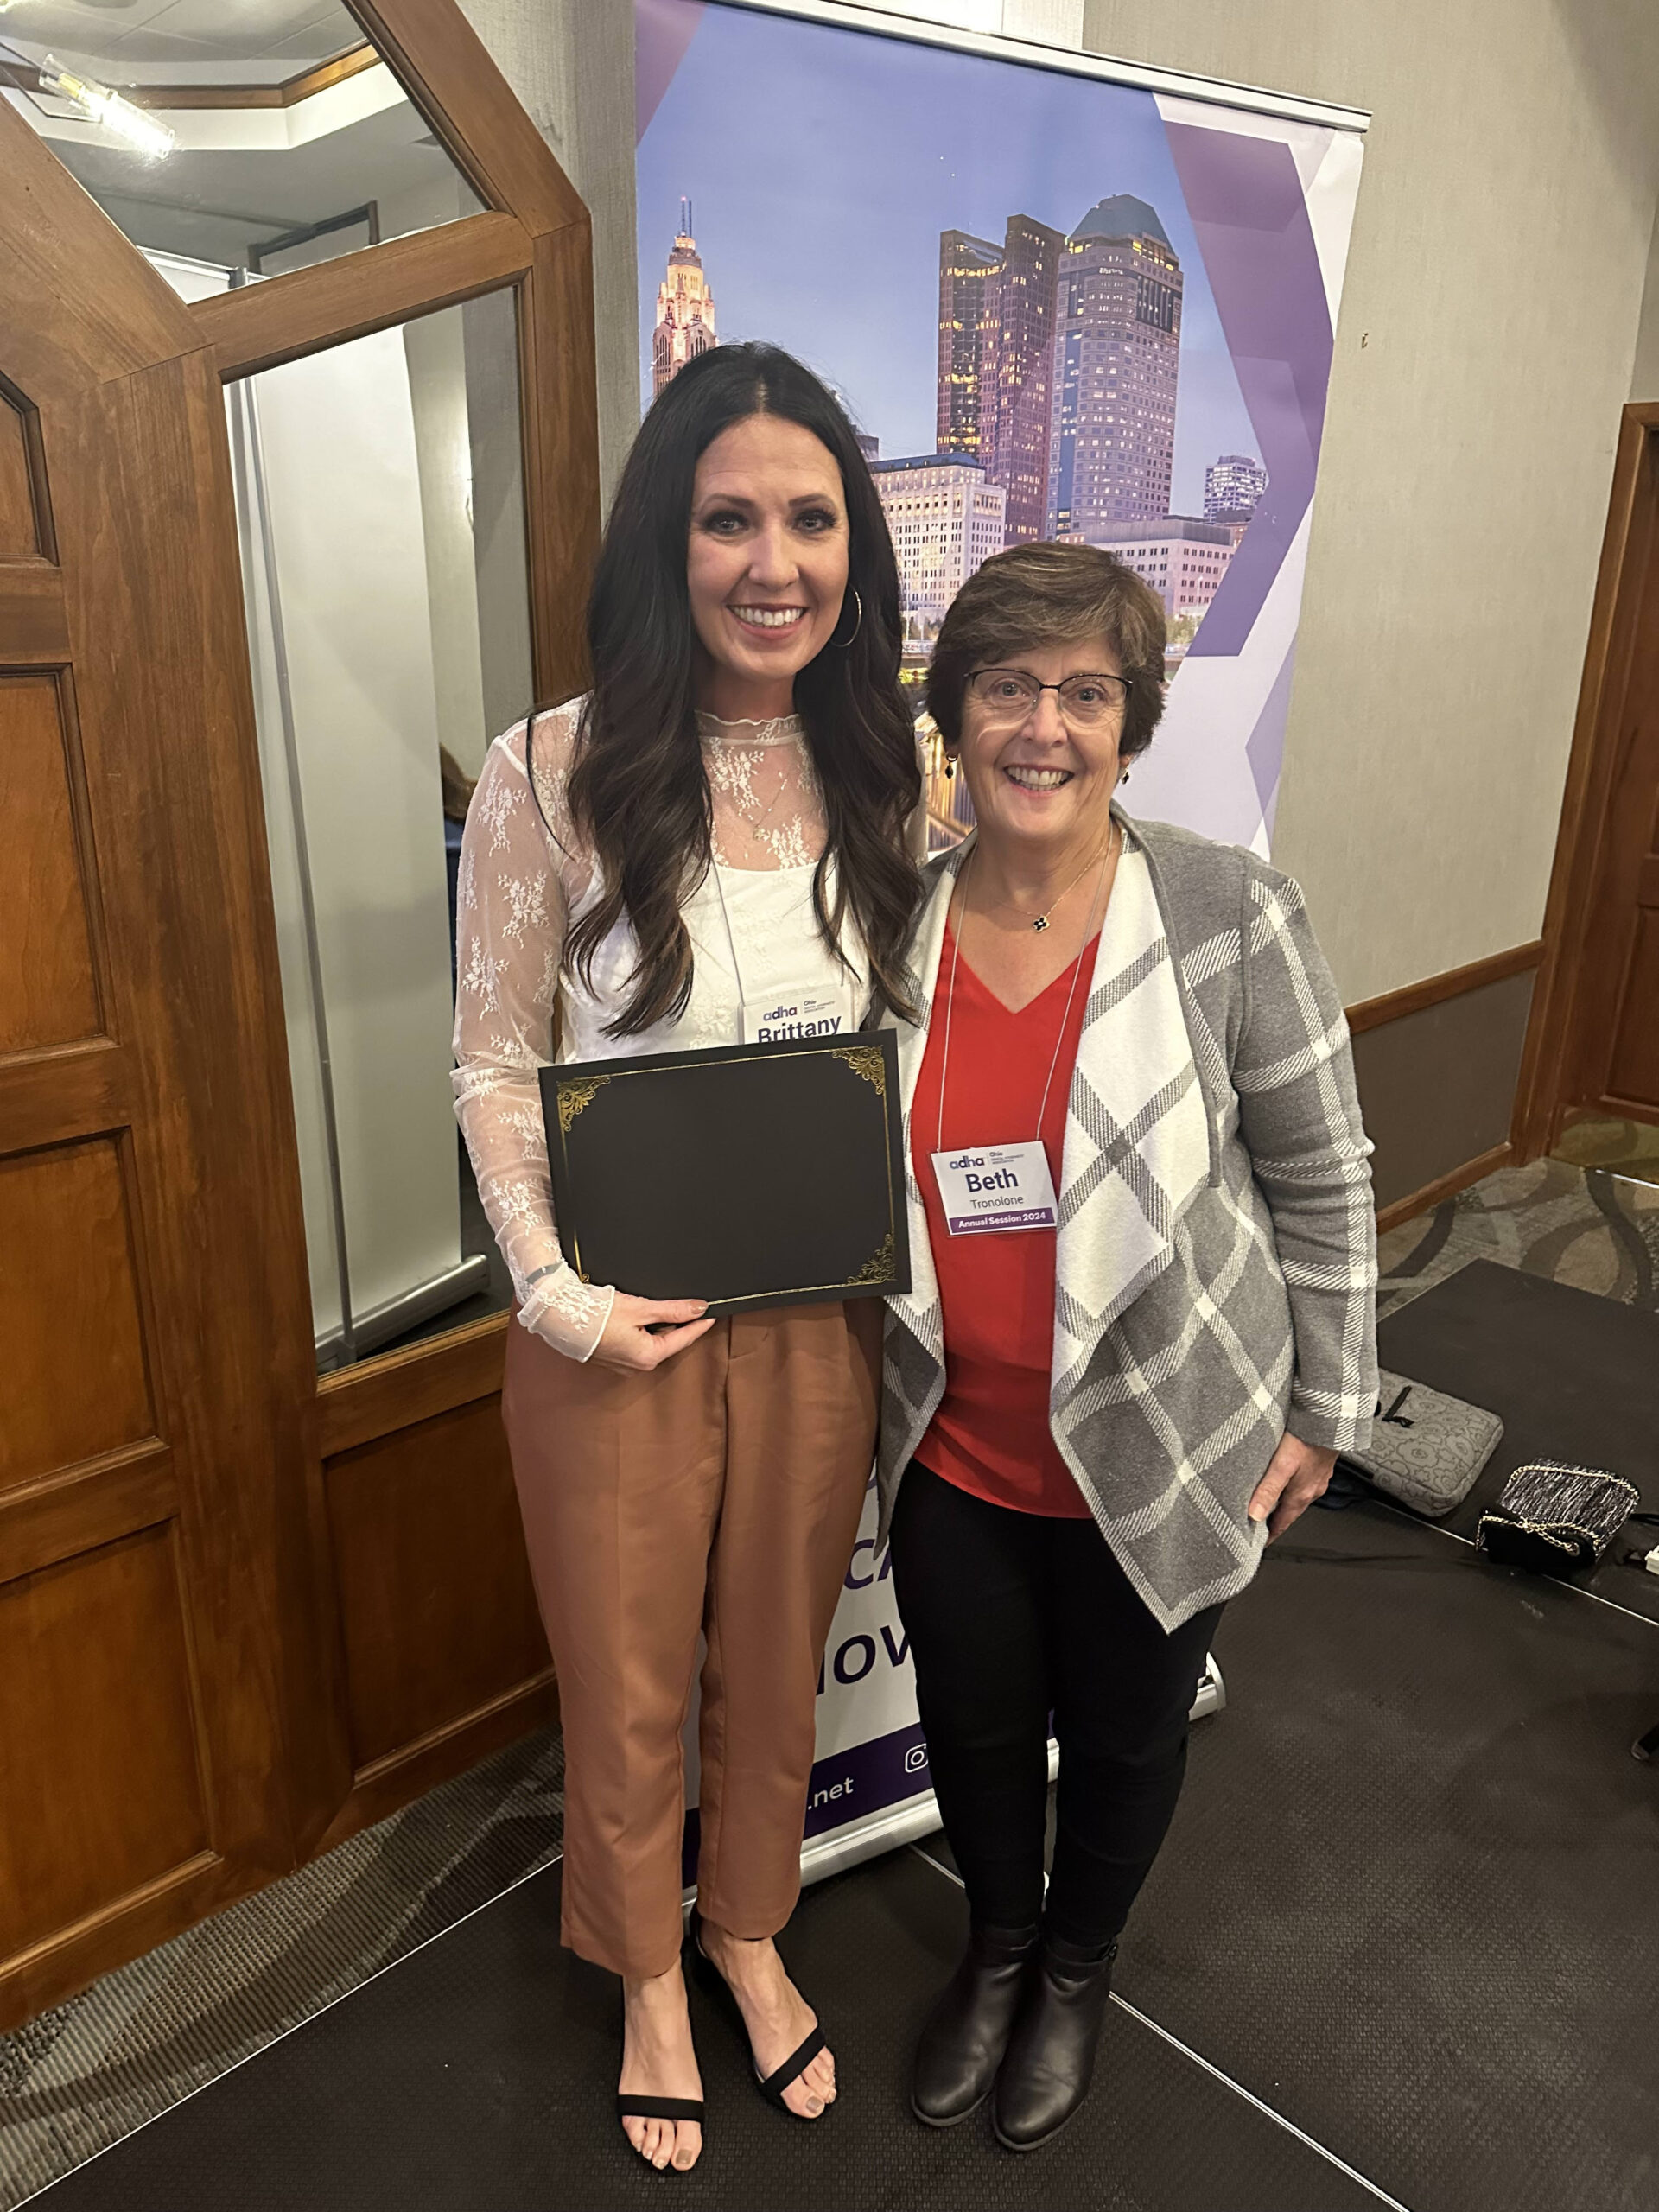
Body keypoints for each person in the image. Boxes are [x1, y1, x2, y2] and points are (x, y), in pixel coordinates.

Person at [451, 343, 923, 2173]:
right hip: (614, 1323)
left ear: (852, 549)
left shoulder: (885, 765)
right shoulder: (550, 768)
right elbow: (494, 1056)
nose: (774, 559)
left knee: (773, 1649)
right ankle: (647, 1964)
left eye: (811, 517)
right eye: (731, 516)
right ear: (672, 538)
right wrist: (557, 1297)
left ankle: (747, 1921)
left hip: (819, 1303)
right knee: (629, 1666)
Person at [878, 541, 1377, 2152]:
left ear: (1130, 722)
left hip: (1171, 1427)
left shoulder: (1228, 910)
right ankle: (998, 1946)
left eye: (1086, 694)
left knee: (1126, 1731)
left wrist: (1329, 1407)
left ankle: (1076, 1971)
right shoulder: (889, 921)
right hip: (953, 1439)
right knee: (968, 1729)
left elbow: (1323, 1173)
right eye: (1008, 687)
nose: (1045, 728)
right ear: (953, 711)